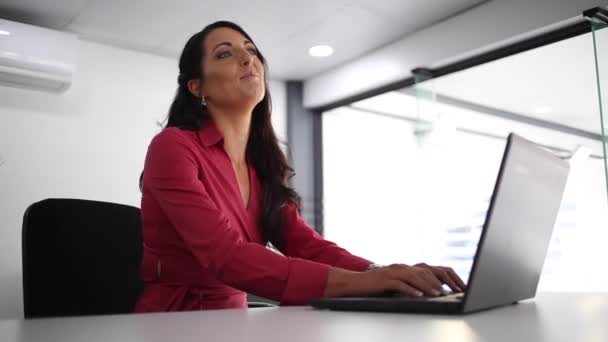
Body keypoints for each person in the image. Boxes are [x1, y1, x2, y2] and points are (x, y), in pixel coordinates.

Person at [134, 21, 465, 312]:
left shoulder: (261, 163)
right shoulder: (173, 147)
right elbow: (226, 255)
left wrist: (379, 273)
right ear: (197, 87)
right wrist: (367, 283)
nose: (248, 58)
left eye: (251, 50)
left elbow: (305, 244)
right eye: (225, 54)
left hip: (236, 321)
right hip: (174, 322)